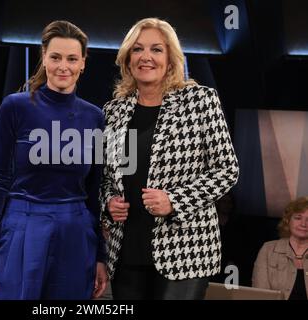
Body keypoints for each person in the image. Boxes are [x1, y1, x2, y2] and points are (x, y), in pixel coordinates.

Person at [100, 17, 239, 299]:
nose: (146, 57)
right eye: (137, 50)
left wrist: (174, 201)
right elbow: (105, 178)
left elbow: (227, 170)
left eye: (156, 49)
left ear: (171, 59)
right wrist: (108, 203)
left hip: (185, 251)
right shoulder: (113, 111)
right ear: (127, 60)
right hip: (126, 251)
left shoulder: (200, 101)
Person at [0, 20, 107, 300]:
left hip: (75, 229)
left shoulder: (95, 117)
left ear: (83, 63)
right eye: (55, 57)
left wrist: (100, 256)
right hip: (23, 223)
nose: (63, 66)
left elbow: (95, 189)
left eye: (72, 59)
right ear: (43, 57)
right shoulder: (15, 107)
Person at [252, 196, 308, 300]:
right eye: (298, 218)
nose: (304, 224)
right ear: (288, 220)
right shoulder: (268, 249)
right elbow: (260, 294)